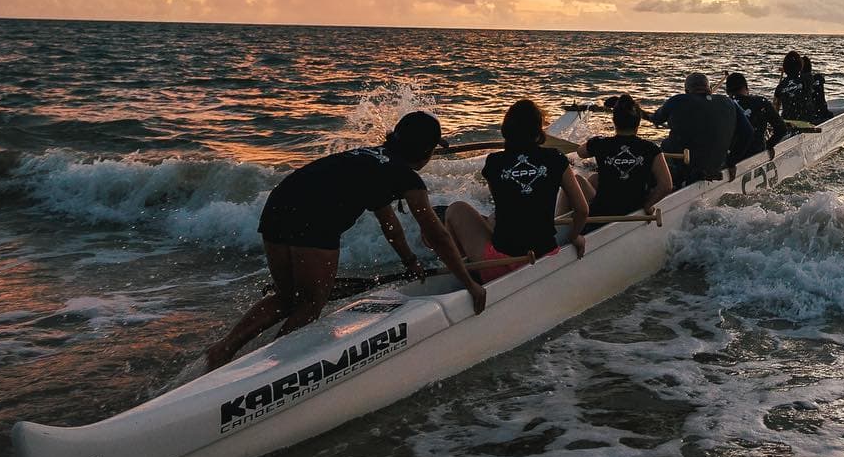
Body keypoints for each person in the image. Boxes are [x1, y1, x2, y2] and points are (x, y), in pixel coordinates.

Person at [205, 111, 486, 370]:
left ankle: (223, 350)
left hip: (278, 205)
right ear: (425, 152)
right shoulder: (405, 177)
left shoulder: (374, 158)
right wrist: (469, 282)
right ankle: (274, 369)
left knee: (288, 297)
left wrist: (410, 261)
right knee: (310, 304)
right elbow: (435, 233)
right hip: (310, 219)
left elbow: (390, 223)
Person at [446, 99, 589, 278]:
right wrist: (575, 236)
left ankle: (468, 273)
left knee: (456, 209)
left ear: (507, 130)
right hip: (546, 254)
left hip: (500, 263)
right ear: (538, 133)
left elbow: (504, 203)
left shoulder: (494, 162)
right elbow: (582, 210)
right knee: (493, 219)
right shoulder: (556, 158)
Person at [575, 93, 673, 219]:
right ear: (638, 123)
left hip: (602, 210)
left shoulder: (599, 143)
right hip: (635, 208)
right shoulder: (651, 148)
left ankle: (563, 229)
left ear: (614, 121)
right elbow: (666, 186)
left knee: (578, 179)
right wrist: (648, 205)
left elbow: (580, 152)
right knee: (595, 178)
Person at [650, 72, 748, 185]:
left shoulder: (678, 100)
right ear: (710, 89)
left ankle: (669, 181)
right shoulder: (729, 102)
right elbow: (747, 133)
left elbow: (656, 119)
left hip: (688, 166)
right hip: (717, 165)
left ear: (686, 91)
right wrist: (731, 162)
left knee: (665, 145)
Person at [725, 72, 787, 168]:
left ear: (727, 92)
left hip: (732, 158)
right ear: (746, 89)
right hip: (757, 153)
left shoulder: (724, 106)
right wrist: (769, 145)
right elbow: (782, 129)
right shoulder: (761, 102)